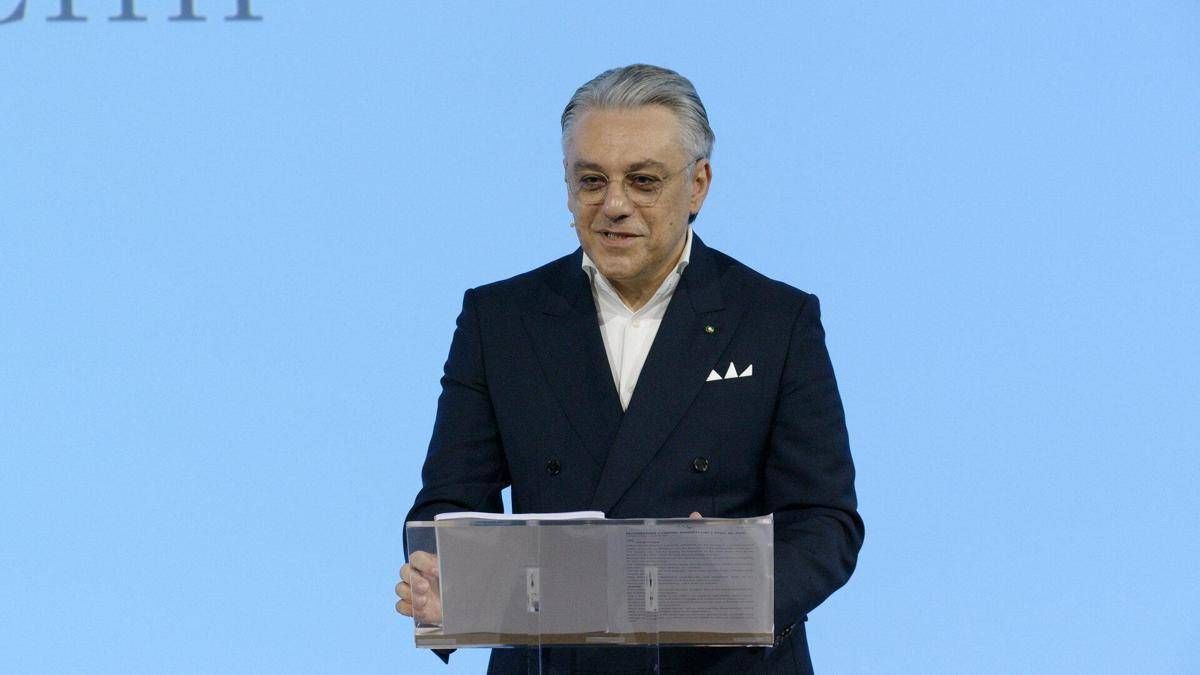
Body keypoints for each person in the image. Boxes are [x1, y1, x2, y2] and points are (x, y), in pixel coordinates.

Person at [395, 64, 864, 674]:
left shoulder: (776, 319)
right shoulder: (501, 319)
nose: (614, 205)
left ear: (698, 185)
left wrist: (723, 587)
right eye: (591, 181)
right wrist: (444, 577)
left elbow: (825, 523)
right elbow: (449, 502)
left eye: (643, 181)